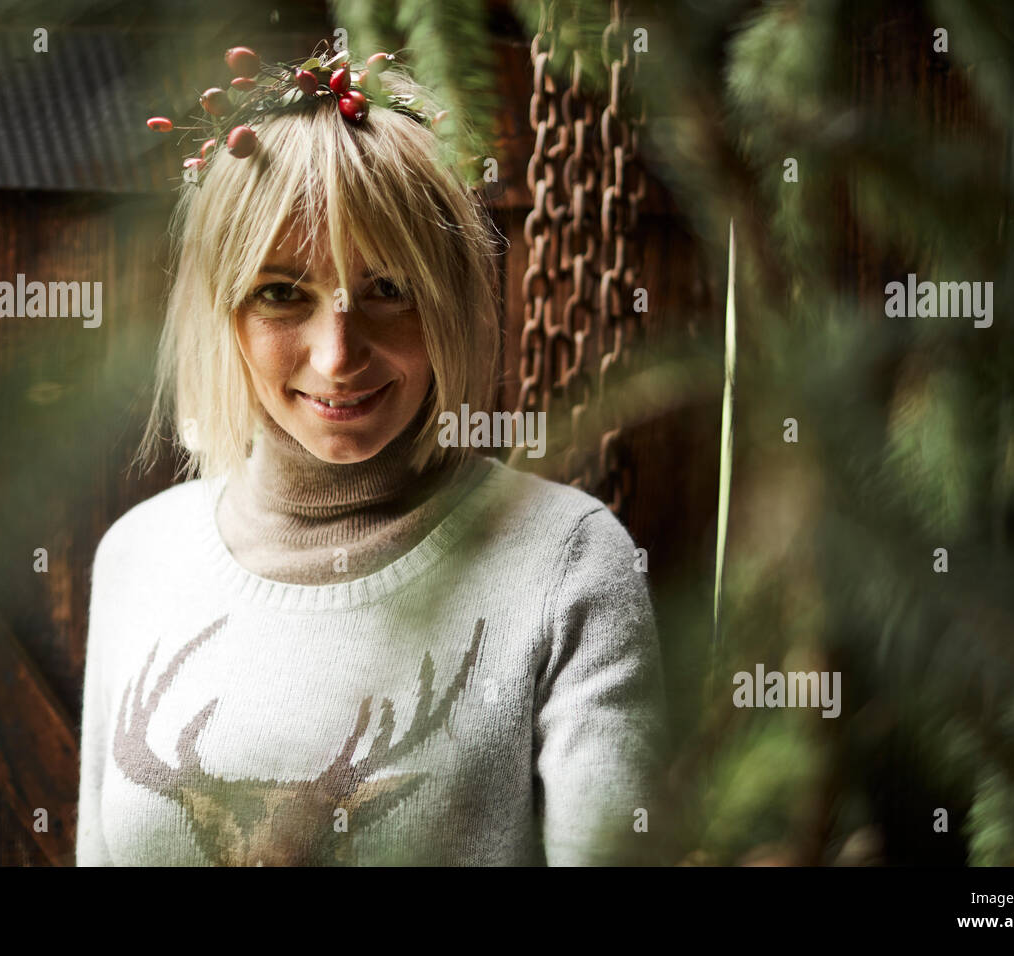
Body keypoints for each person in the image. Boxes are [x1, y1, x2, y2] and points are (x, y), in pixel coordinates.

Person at [76, 46, 667, 865]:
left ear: (450, 299)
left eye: (388, 289)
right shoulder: (138, 556)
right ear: (224, 313)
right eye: (283, 293)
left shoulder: (566, 561)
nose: (337, 356)